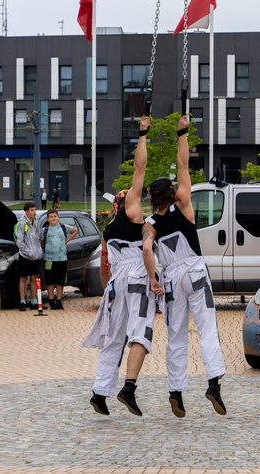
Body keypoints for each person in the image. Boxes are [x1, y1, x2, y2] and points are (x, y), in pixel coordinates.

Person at [143, 115, 228, 418]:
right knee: (206, 329)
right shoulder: (185, 207)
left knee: (176, 336)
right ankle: (213, 384)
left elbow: (146, 248)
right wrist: (183, 132)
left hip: (169, 278)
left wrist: (154, 279)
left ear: (153, 199)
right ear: (173, 195)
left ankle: (175, 391)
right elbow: (183, 166)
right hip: (194, 271)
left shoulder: (150, 223)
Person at [87, 116, 160, 417]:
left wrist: (109, 291)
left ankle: (99, 392)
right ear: (126, 201)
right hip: (136, 275)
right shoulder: (131, 210)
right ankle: (128, 388)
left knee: (115, 338)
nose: (140, 197)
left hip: (115, 284)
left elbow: (104, 269)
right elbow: (139, 169)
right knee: (141, 332)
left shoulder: (107, 231)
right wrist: (141, 135)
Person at [41, 209, 77, 310]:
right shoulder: (44, 230)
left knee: (60, 281)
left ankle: (59, 301)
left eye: (55, 216)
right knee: (50, 281)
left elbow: (74, 231)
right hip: (49, 259)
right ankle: (51, 300)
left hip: (62, 258)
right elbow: (42, 243)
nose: (53, 218)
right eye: (51, 216)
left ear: (58, 217)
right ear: (48, 219)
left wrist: (67, 240)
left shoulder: (63, 227)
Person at [15, 202, 42, 311]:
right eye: (32, 210)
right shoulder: (22, 224)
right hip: (25, 256)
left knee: (34, 278)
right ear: (26, 212)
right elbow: (20, 242)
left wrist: (38, 251)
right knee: (23, 278)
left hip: (35, 256)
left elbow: (37, 240)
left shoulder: (36, 222)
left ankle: (34, 300)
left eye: (35, 209)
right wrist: (29, 252)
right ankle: (22, 301)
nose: (34, 212)